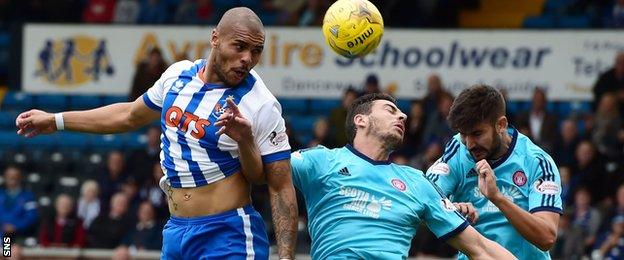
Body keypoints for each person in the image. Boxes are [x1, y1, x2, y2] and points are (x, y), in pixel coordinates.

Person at [16, 7, 297, 259]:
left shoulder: (261, 104)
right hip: (175, 233)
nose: (247, 58)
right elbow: (128, 115)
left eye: (256, 50)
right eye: (240, 46)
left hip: (228, 235)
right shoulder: (177, 75)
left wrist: (285, 258)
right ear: (215, 38)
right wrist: (55, 121)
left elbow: (277, 185)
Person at [291, 93, 515, 259]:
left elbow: (480, 247)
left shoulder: (416, 181)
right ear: (361, 120)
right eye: (391, 110)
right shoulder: (320, 161)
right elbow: (263, 170)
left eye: (401, 112)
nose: (403, 116)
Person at [425, 84, 562, 259]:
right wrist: (450, 207)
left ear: (501, 125)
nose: (469, 144)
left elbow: (547, 236)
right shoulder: (458, 150)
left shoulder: (536, 162)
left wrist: (497, 197)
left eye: (477, 134)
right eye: (463, 135)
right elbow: (424, 196)